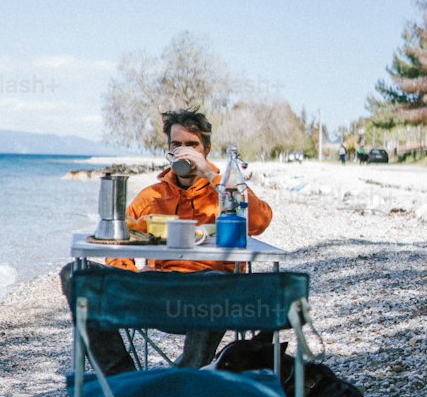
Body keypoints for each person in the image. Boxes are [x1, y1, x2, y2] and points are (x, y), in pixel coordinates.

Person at [60, 108, 274, 373]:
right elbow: (118, 245)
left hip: (207, 297)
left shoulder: (224, 191)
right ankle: (122, 379)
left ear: (206, 149)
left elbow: (260, 222)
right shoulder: (151, 196)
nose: (184, 151)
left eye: (192, 145)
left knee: (216, 284)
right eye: (177, 145)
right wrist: (132, 275)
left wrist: (210, 173)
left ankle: (181, 380)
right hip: (156, 291)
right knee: (75, 274)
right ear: (168, 151)